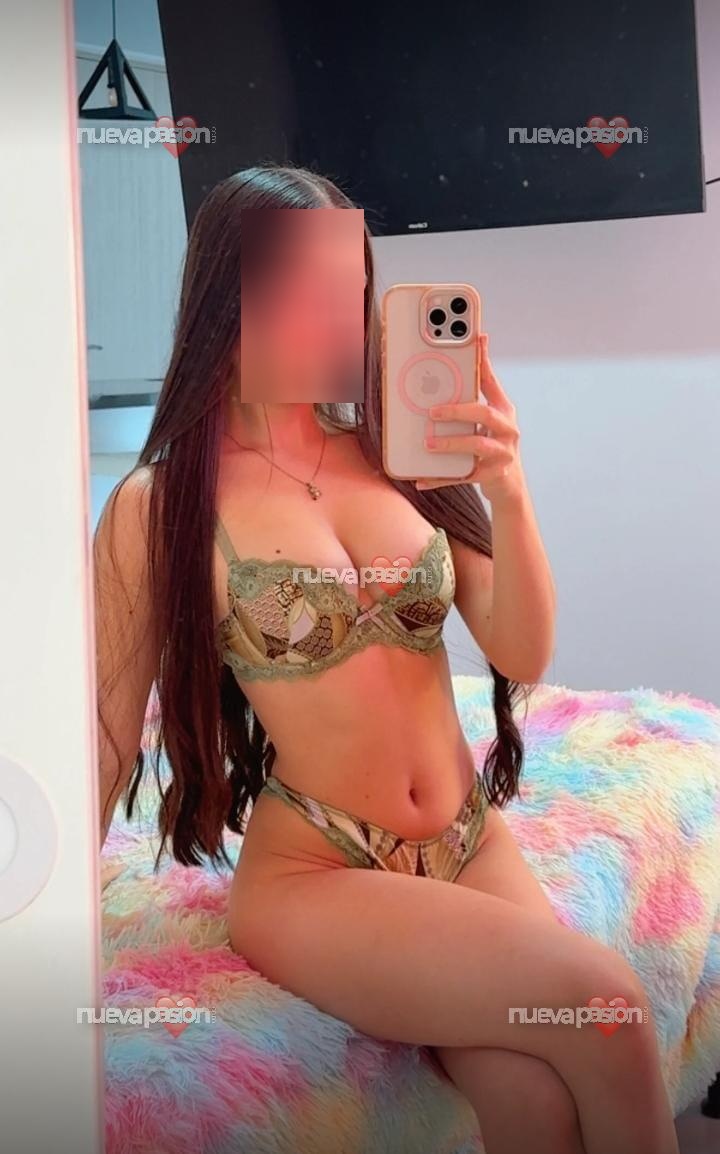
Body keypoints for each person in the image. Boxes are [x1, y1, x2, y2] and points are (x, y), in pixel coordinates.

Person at [95, 163, 679, 1154]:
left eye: (350, 290)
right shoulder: (161, 503)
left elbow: (521, 647)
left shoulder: (400, 451)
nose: (338, 319)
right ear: (229, 297)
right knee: (608, 1008)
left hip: (468, 840)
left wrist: (509, 489)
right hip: (318, 869)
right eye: (306, 290)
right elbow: (108, 734)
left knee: (533, 1099)